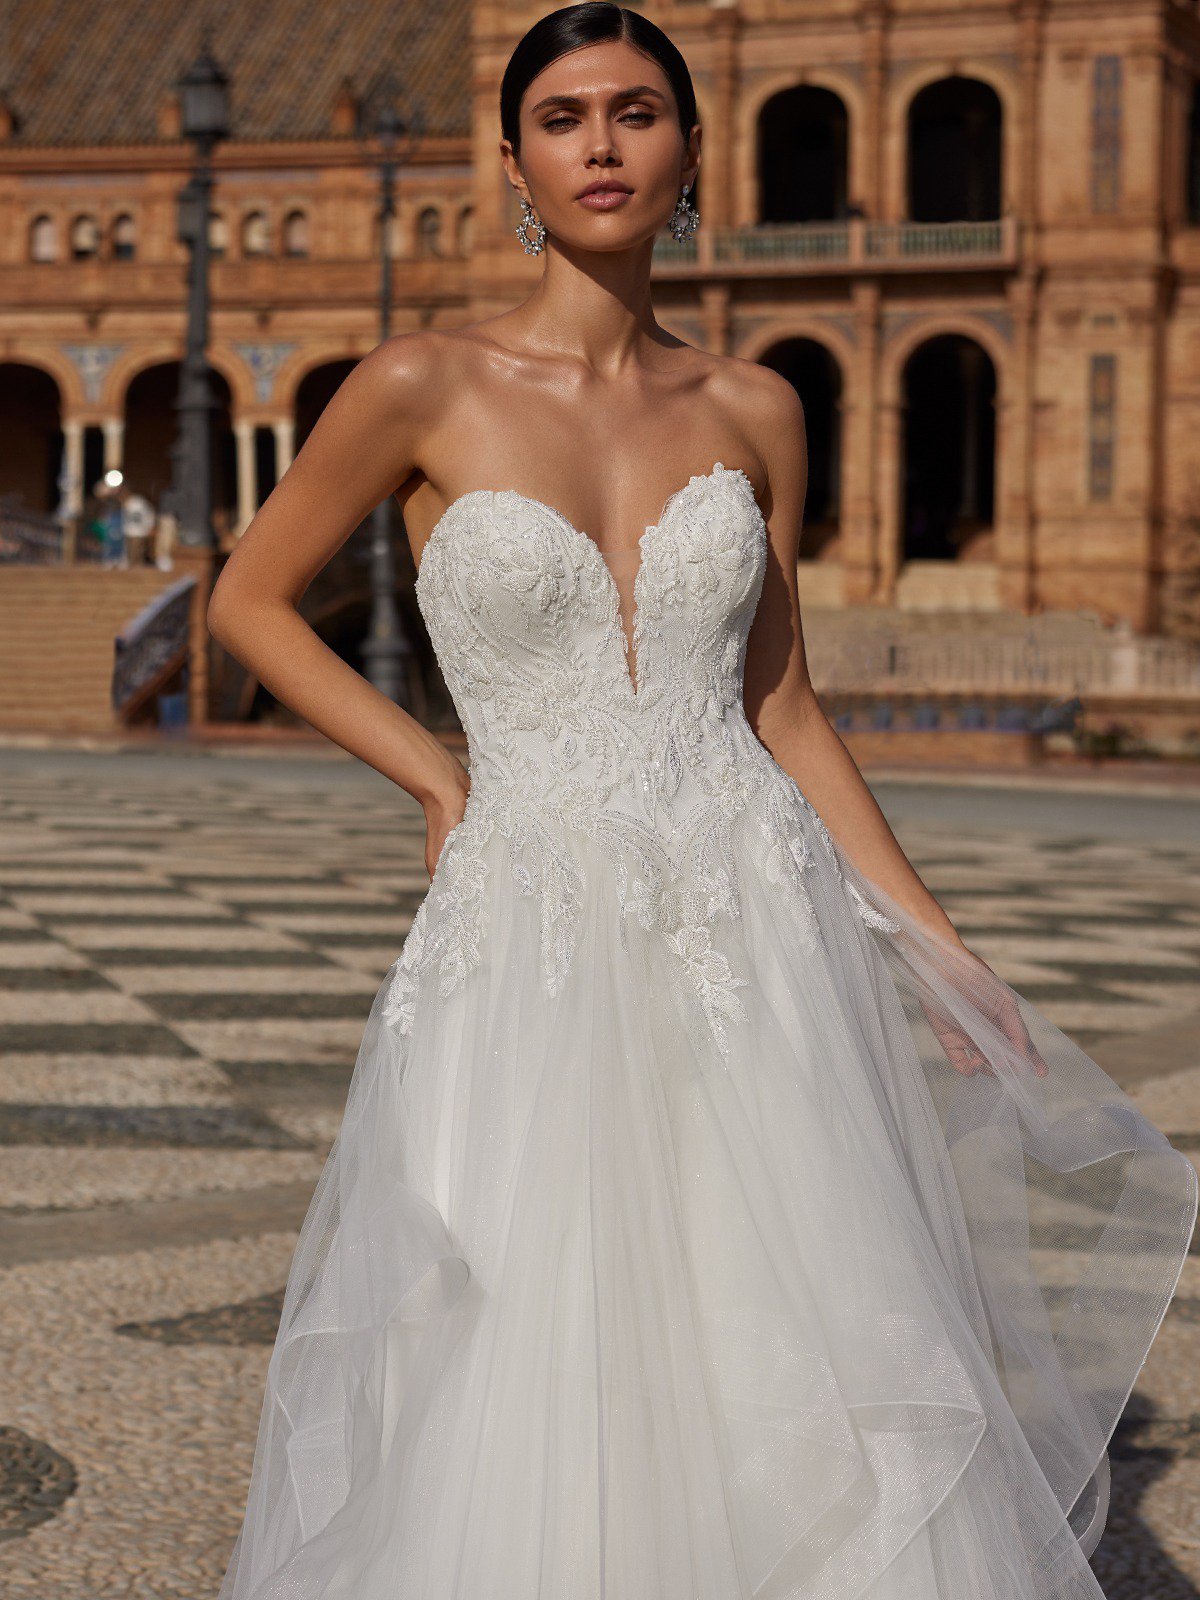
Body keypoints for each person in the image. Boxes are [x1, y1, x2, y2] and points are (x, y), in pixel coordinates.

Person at [206, 7, 1196, 1598]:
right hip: (531, 912)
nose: (601, 145)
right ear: (513, 161)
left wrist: (940, 947)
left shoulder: (758, 407)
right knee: (526, 1307)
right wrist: (437, 773)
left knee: (777, 1305)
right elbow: (248, 603)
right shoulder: (419, 381)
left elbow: (781, 702)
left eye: (636, 112)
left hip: (752, 913)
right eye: (563, 117)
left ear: (689, 153)